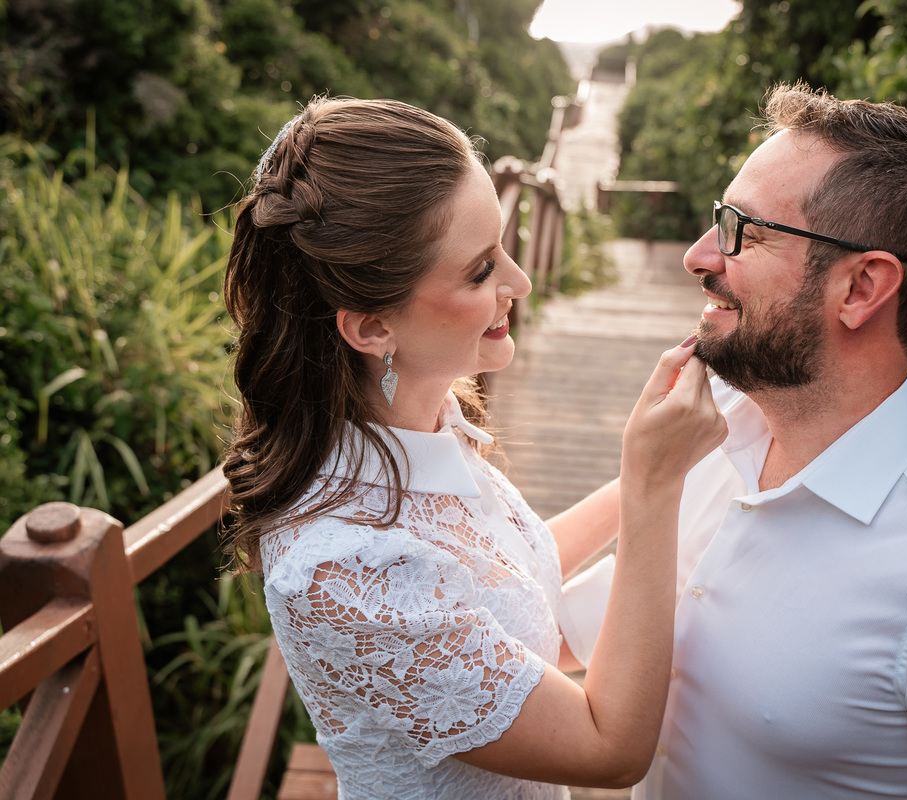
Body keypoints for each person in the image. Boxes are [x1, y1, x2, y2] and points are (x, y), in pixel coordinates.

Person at [562, 83, 907, 799]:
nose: (698, 256)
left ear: (861, 288)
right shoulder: (713, 427)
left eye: (743, 231)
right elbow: (589, 629)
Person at [220, 96, 726, 800]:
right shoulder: (341, 567)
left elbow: (495, 577)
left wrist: (660, 465)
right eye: (481, 270)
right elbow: (609, 750)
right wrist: (651, 486)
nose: (520, 282)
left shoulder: (420, 420)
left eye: (505, 248)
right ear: (372, 328)